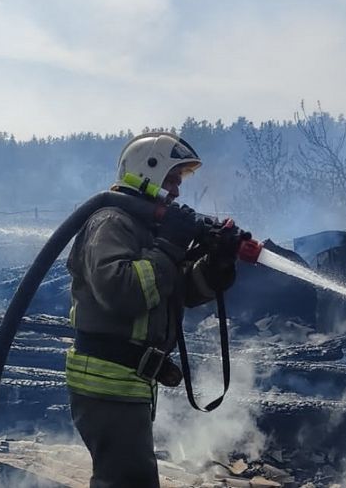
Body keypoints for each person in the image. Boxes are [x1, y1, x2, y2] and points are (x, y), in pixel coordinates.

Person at [66, 132, 238, 487]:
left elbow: (178, 292)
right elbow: (122, 291)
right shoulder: (111, 221)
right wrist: (171, 244)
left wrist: (216, 266)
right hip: (107, 382)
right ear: (149, 173)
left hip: (128, 383)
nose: (177, 191)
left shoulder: (148, 229)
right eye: (172, 180)